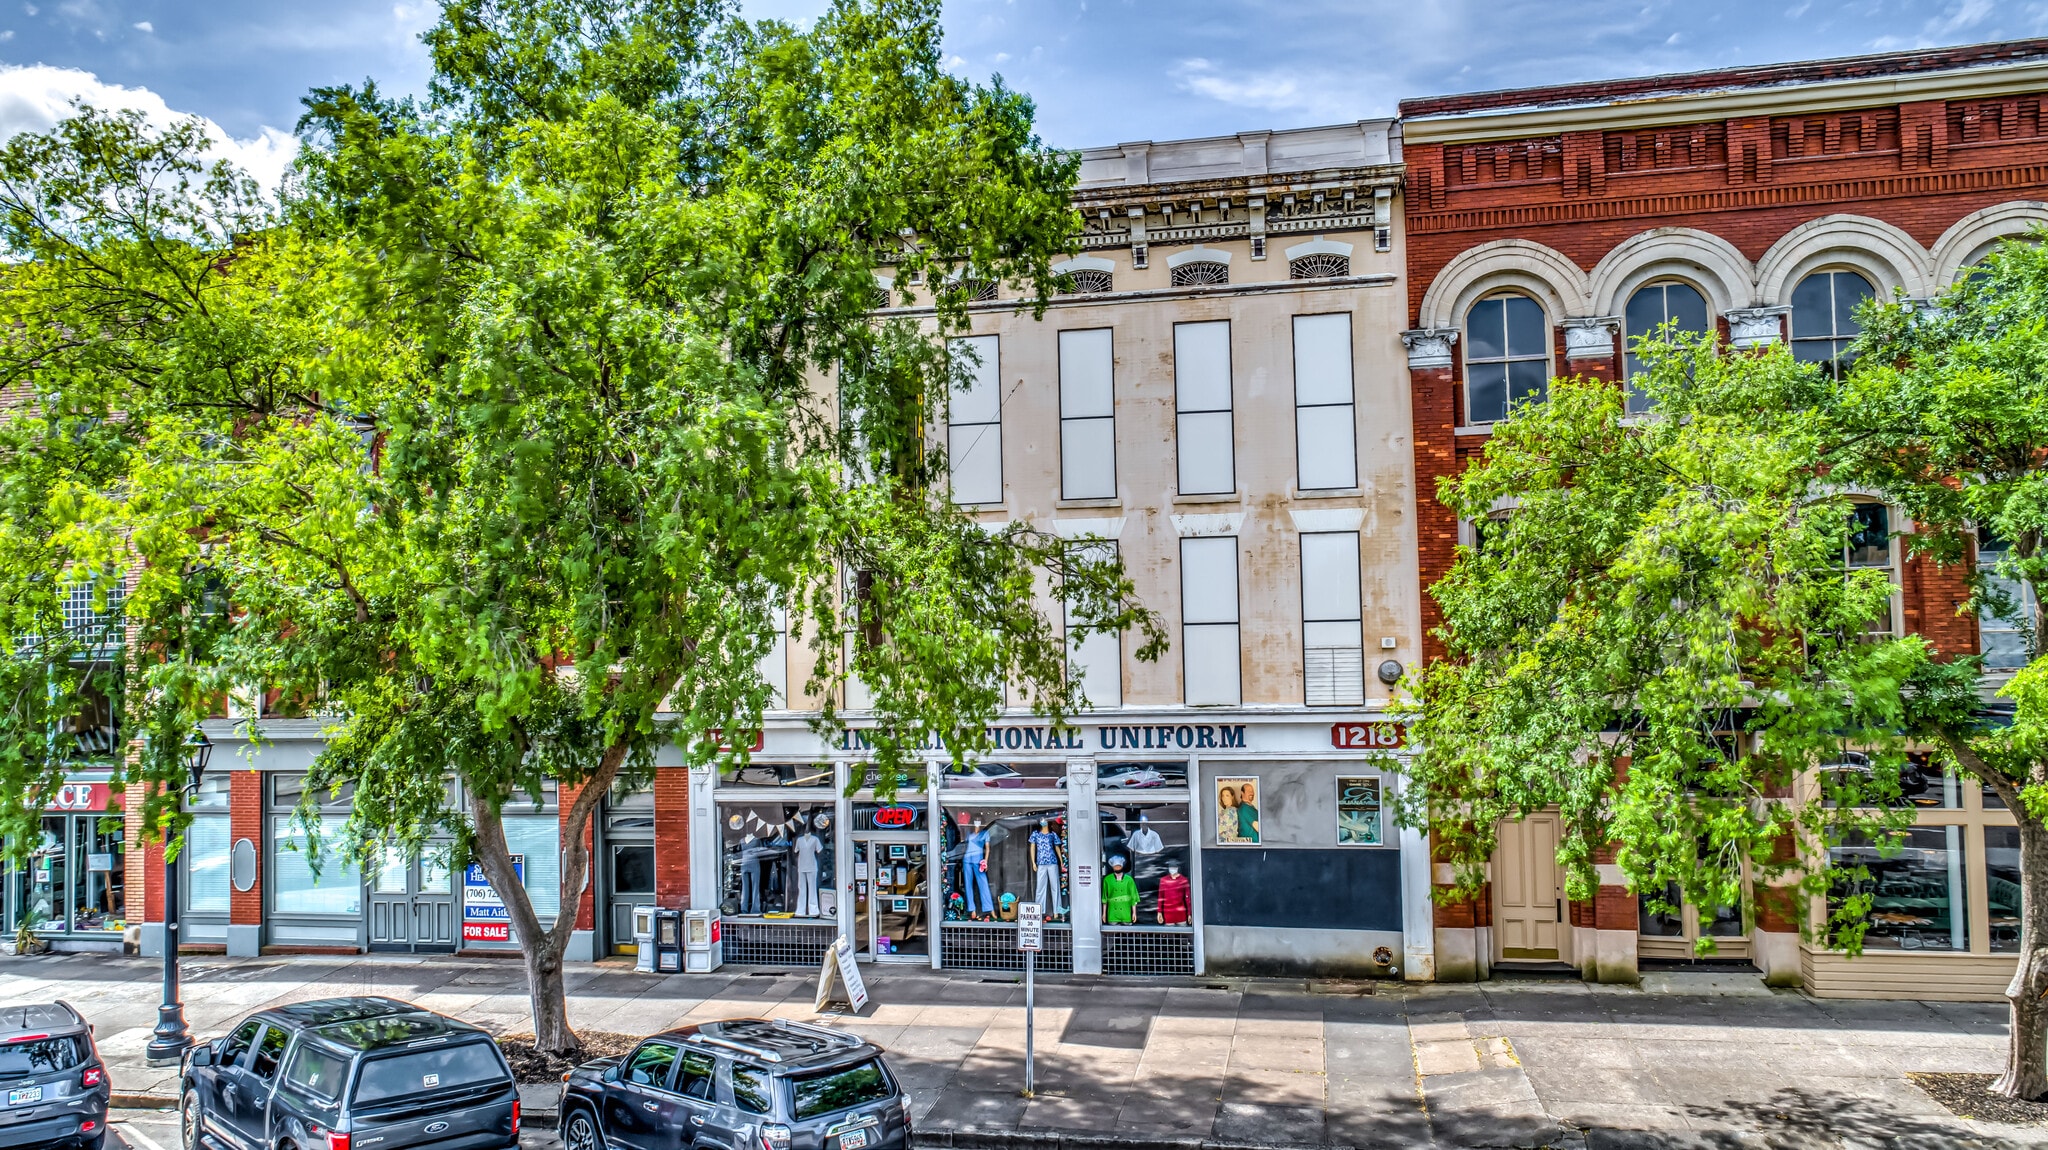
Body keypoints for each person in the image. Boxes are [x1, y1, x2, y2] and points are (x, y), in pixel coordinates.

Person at [1102, 856, 1139, 924]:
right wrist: (1104, 914)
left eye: (1119, 866)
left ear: (1122, 866)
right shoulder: (1107, 880)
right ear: (1112, 867)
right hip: (1112, 913)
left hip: (1126, 912)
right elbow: (1104, 898)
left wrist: (1134, 913)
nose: (1117, 868)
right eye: (1115, 866)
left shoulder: (1129, 879)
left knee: (1127, 930)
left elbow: (1134, 897)